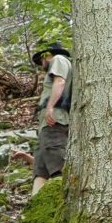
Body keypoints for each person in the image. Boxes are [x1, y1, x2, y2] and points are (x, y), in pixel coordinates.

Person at [31, 44, 72, 192]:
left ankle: (61, 199)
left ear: (47, 55)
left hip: (55, 120)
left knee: (57, 165)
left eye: (41, 60)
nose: (41, 64)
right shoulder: (58, 62)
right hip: (46, 125)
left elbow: (60, 81)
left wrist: (50, 107)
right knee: (40, 169)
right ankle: (35, 202)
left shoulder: (58, 59)